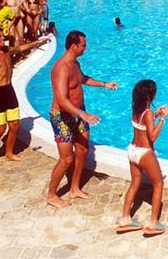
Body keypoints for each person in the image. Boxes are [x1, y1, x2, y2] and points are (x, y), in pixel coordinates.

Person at [46, 30, 118, 208]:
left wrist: (104, 84)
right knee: (66, 159)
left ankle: (74, 188)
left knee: (83, 150)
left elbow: (83, 79)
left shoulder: (75, 64)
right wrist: (82, 114)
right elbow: (61, 100)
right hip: (62, 117)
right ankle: (51, 194)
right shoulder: (60, 68)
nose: (86, 48)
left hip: (78, 113)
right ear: (73, 46)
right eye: (83, 45)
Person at [0, 27, 49, 164]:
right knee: (0, 128)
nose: (3, 38)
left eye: (3, 36)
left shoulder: (6, 51)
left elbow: (21, 48)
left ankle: (9, 152)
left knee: (15, 125)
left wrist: (38, 43)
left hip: (9, 91)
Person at [116, 79, 168, 237]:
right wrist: (162, 118)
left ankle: (125, 219)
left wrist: (155, 114)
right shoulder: (147, 113)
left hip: (132, 150)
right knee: (158, 183)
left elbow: (143, 124)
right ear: (149, 95)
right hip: (144, 153)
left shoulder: (137, 110)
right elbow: (152, 137)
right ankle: (154, 223)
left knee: (135, 183)